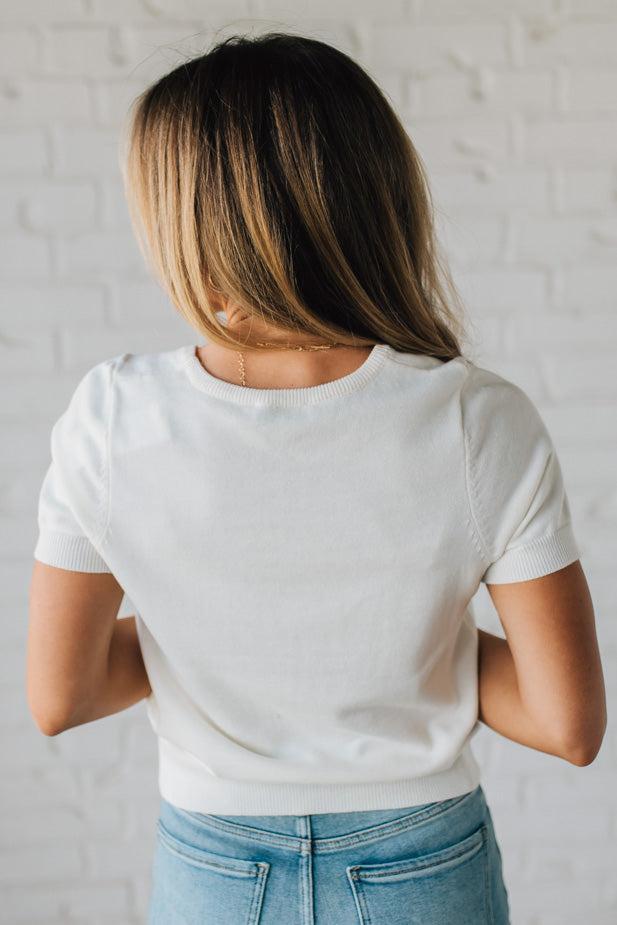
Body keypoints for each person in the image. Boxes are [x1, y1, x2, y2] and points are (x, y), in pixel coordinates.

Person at [27, 32, 606, 925]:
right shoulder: (474, 419)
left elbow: (60, 696)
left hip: (215, 868)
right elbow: (566, 722)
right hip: (423, 865)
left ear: (187, 226)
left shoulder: (112, 417)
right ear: (376, 196)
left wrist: (224, 630)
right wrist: (405, 645)